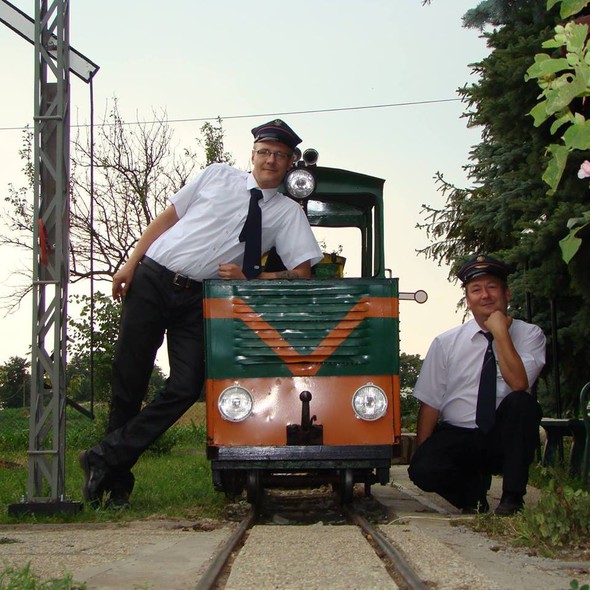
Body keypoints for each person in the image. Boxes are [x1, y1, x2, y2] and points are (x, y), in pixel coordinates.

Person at [79, 119, 323, 508]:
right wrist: (130, 263)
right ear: (253, 154)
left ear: (291, 162)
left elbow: (303, 273)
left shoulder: (287, 213)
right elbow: (167, 219)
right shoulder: (217, 176)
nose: (270, 160)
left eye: (280, 155)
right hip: (154, 277)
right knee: (130, 379)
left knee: (187, 385)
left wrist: (253, 276)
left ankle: (102, 456)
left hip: (199, 298)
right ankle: (113, 483)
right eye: (264, 152)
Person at [407, 255, 546, 516]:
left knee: (521, 403)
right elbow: (430, 402)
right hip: (458, 435)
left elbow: (518, 383)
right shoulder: (445, 342)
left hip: (502, 437)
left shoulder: (531, 335)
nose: (485, 296)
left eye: (492, 287)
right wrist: (422, 452)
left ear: (507, 293)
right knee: (423, 469)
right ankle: (472, 495)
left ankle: (512, 499)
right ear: (468, 300)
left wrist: (500, 333)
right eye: (476, 290)